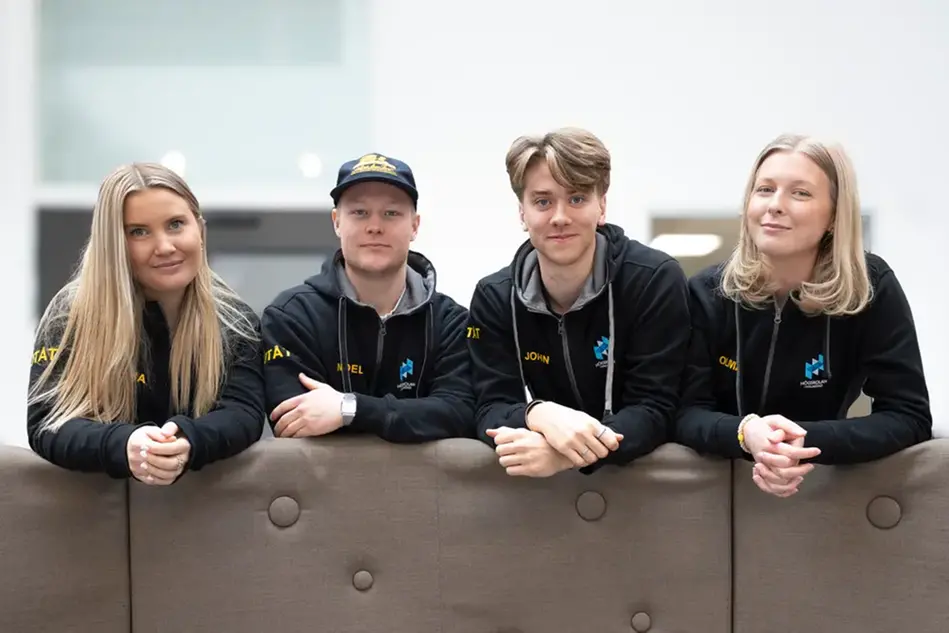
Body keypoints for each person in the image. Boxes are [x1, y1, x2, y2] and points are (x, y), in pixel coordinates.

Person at [674, 133, 932, 497]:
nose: (775, 205)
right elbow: (684, 412)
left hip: (818, 492)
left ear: (833, 216)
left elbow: (909, 417)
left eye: (800, 193)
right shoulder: (707, 292)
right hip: (716, 494)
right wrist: (747, 433)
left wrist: (800, 442)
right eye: (764, 189)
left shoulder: (870, 287)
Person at [466, 128, 692, 477]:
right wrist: (537, 414)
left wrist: (568, 455)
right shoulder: (495, 296)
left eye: (576, 199)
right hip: (542, 499)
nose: (559, 216)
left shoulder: (654, 279)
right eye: (542, 201)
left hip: (639, 488)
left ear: (601, 205)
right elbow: (489, 409)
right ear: (522, 214)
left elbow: (655, 409)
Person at [27, 163, 266, 484]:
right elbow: (46, 424)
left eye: (176, 224)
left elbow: (244, 414)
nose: (165, 246)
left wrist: (188, 440)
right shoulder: (69, 316)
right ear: (113, 244)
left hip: (202, 512)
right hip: (95, 517)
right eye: (138, 231)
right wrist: (124, 444)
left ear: (200, 227)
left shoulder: (234, 320)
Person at [260, 152, 474, 441]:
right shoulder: (291, 317)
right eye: (359, 212)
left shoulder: (452, 322)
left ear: (415, 225)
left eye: (391, 213)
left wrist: (349, 409)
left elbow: (460, 413)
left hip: (424, 488)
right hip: (324, 487)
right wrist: (410, 418)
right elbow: (292, 421)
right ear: (337, 222)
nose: (375, 226)